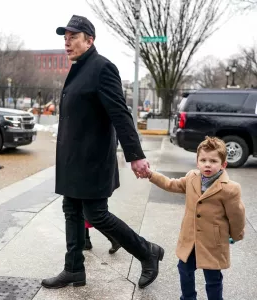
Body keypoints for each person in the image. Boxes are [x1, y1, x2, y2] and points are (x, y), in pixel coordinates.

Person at [41, 15, 164, 290]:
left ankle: (148, 252)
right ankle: (73, 269)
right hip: (73, 160)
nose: (67, 42)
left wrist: (135, 154)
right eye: (65, 37)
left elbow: (120, 114)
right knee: (71, 210)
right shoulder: (78, 68)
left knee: (96, 214)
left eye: (73, 37)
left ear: (89, 40)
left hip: (92, 160)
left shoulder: (102, 68)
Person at [146, 136, 246, 300]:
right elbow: (172, 184)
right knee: (184, 270)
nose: (207, 164)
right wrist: (151, 175)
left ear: (223, 164)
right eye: (203, 160)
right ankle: (188, 297)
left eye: (213, 161)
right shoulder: (192, 177)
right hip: (190, 239)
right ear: (197, 162)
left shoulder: (230, 189)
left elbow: (237, 215)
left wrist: (236, 235)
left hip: (213, 242)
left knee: (213, 278)